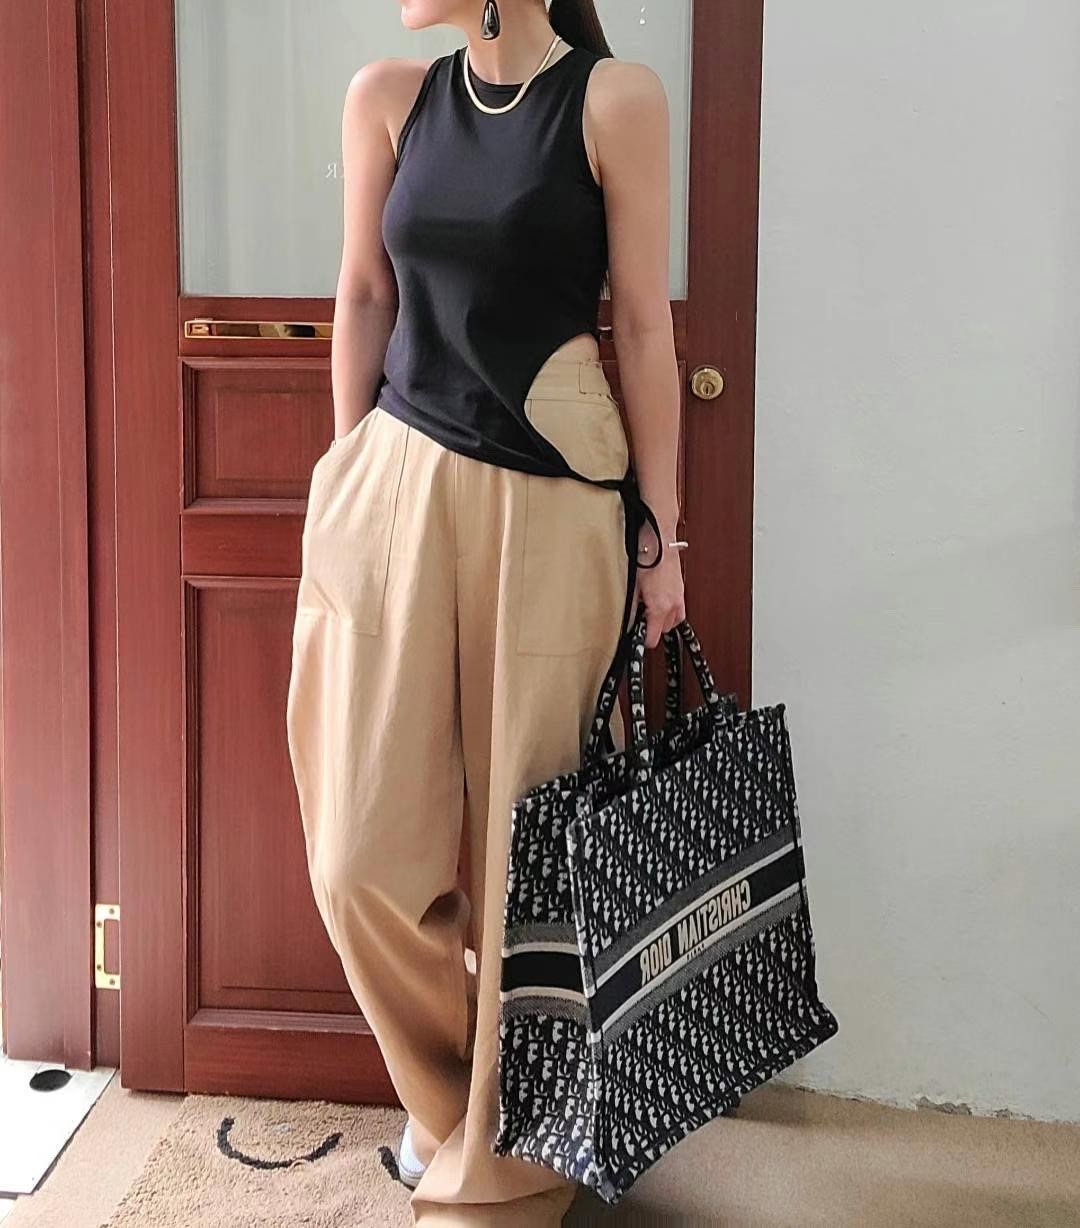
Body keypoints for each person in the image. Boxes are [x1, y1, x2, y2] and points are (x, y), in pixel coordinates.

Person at [286, 1, 684, 1223]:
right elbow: (364, 291)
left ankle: (509, 1159)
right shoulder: (389, 98)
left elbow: (642, 327)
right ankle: (452, 1105)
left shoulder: (613, 102)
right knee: (358, 854)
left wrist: (664, 538)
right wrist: (347, 475)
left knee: (535, 861)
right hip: (397, 485)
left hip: (555, 503)